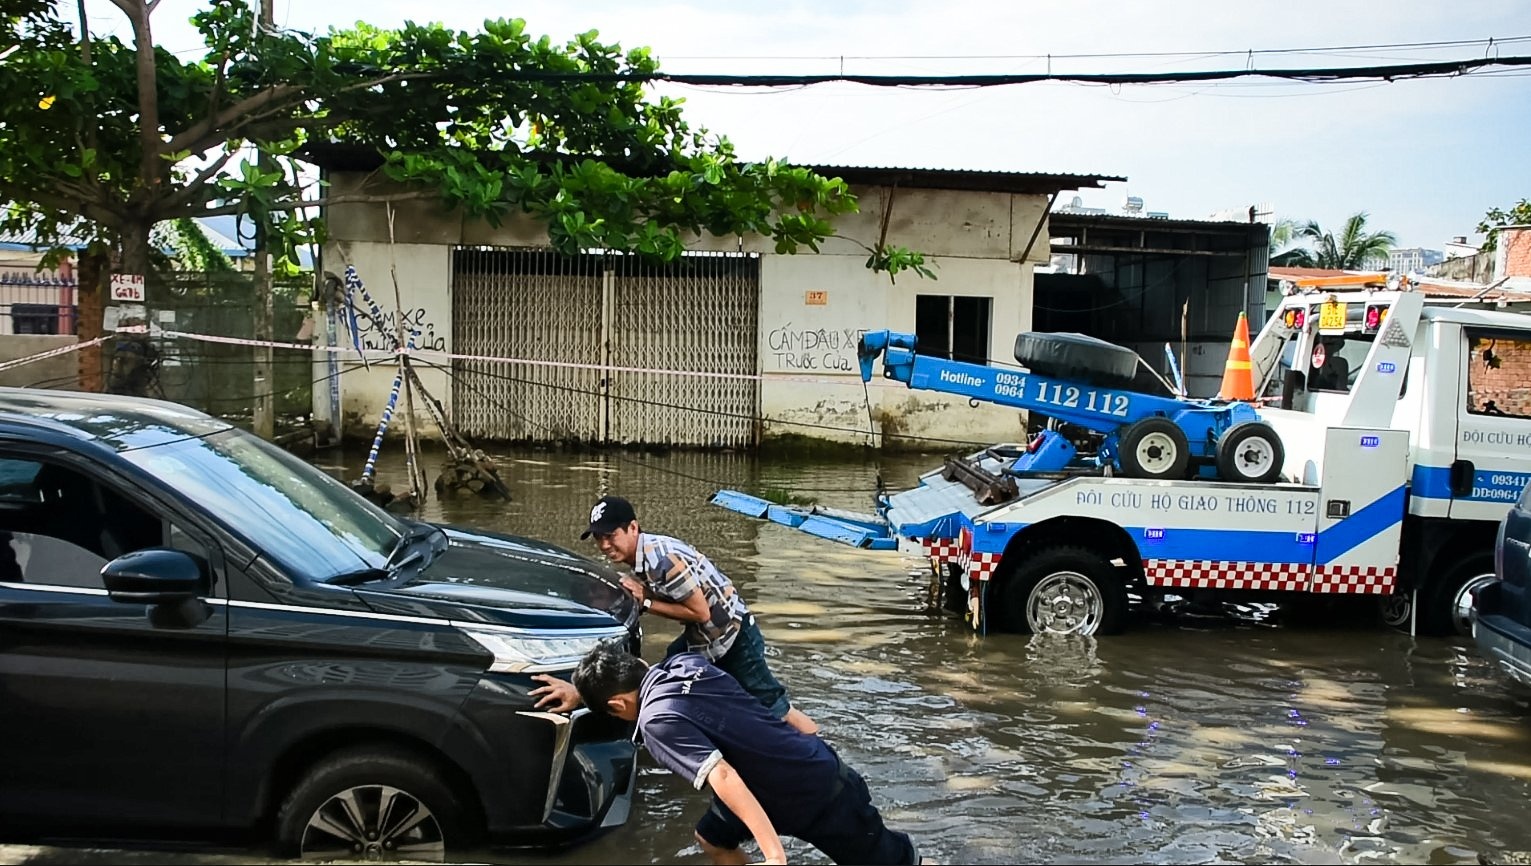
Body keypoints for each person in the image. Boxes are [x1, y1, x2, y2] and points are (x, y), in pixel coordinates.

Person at [572, 644, 922, 866]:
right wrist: (580, 694)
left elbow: (723, 775)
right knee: (712, 837)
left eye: (614, 713)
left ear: (617, 704)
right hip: (801, 768)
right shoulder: (683, 664)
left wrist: (774, 855)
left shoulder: (654, 722)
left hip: (815, 795)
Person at [533, 495, 819, 735]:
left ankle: (819, 753)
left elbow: (699, 611)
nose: (605, 545)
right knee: (658, 675)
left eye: (611, 536)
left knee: (775, 709)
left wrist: (645, 602)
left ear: (633, 527)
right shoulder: (643, 558)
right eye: (598, 538)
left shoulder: (661, 559)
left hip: (733, 638)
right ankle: (587, 695)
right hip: (706, 639)